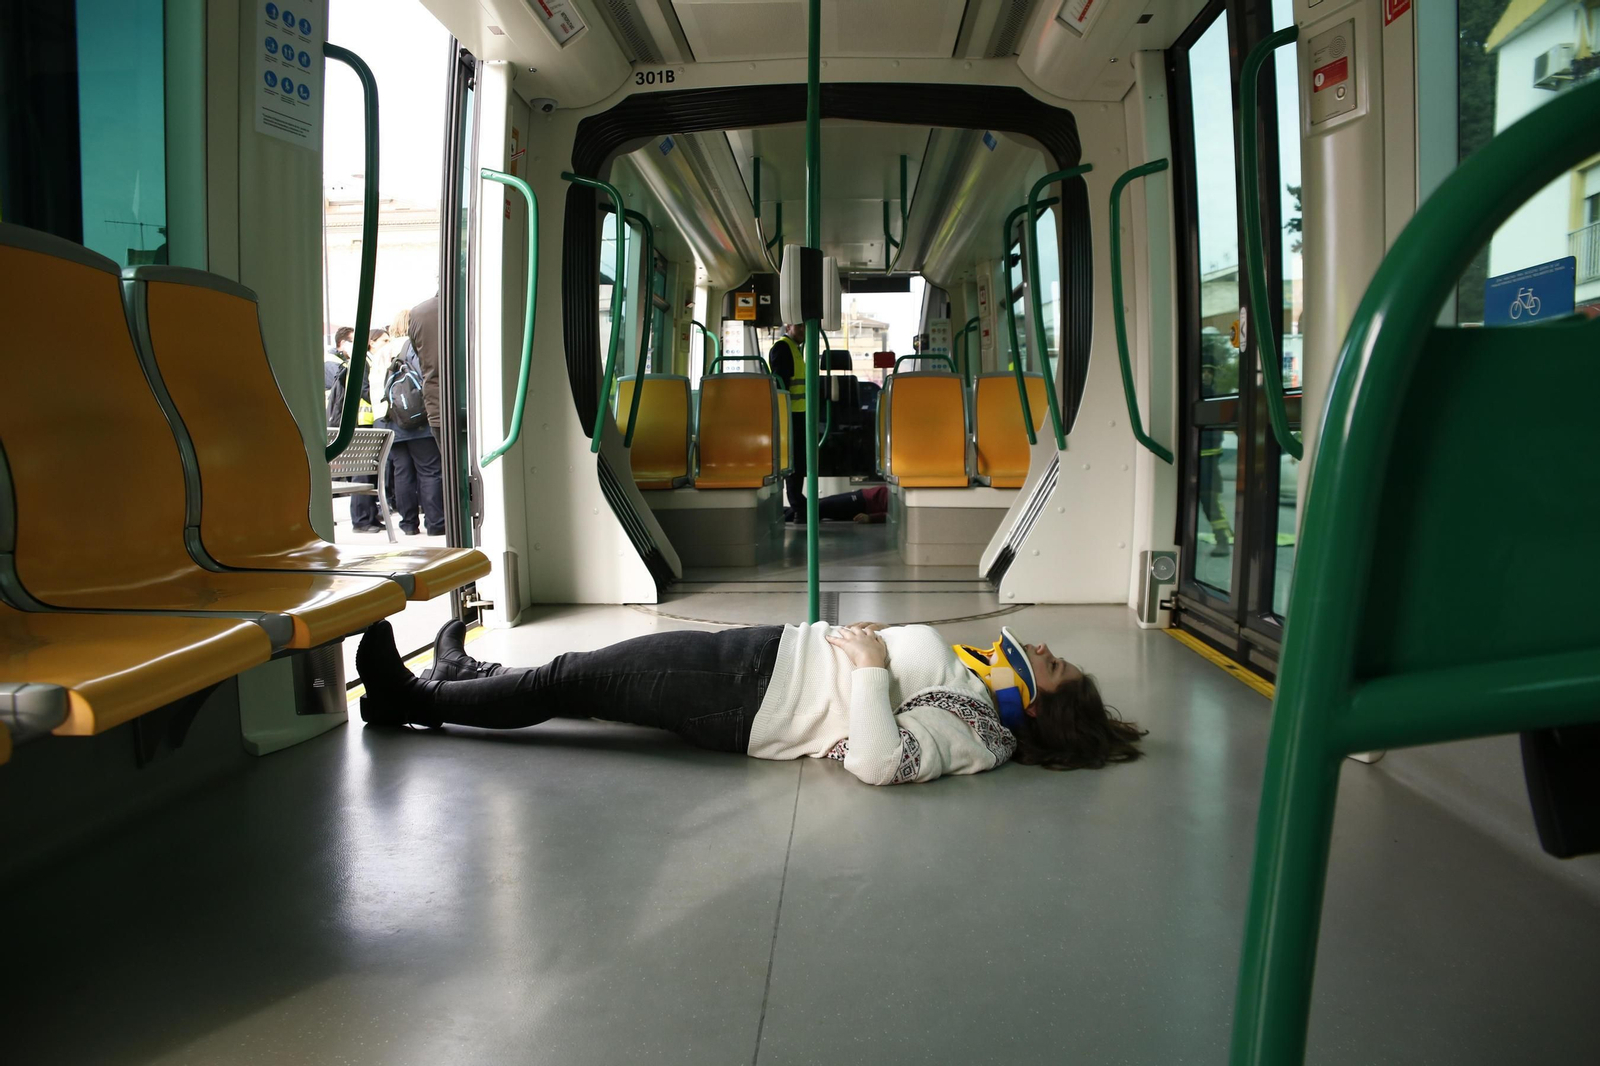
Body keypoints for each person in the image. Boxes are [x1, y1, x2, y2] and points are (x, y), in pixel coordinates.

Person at [356, 617, 1146, 785]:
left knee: (574, 678)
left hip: (748, 693)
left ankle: (408, 700)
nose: (1043, 651)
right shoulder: (981, 688)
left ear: (1037, 710)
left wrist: (870, 665)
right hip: (763, 661)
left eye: (1055, 668)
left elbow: (879, 760)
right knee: (592, 676)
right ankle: (462, 677)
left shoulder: (981, 733)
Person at [379, 313, 445, 537]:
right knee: (429, 470)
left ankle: (408, 525)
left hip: (390, 419)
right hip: (417, 418)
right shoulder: (412, 345)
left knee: (402, 473)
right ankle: (436, 524)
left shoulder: (380, 351)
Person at [327, 327, 383, 533]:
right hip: (361, 423)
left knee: (367, 474)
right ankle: (361, 520)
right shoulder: (361, 363)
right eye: (383, 341)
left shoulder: (365, 362)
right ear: (372, 343)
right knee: (362, 474)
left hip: (363, 422)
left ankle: (369, 517)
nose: (387, 345)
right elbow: (364, 390)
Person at [767, 322, 808, 523]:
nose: (803, 330)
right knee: (794, 462)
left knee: (798, 462)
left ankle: (798, 504)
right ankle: (798, 507)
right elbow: (781, 383)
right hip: (789, 413)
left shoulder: (795, 349)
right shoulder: (783, 348)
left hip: (799, 413)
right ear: (788, 326)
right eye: (799, 326)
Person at [408, 293, 442, 453]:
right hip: (483, 401)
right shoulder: (480, 301)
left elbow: (420, 356)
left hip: (438, 403)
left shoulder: (419, 313)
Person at [817, 484, 889, 523]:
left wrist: (871, 518)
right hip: (863, 496)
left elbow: (895, 516)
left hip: (864, 503)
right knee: (820, 503)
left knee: (822, 506)